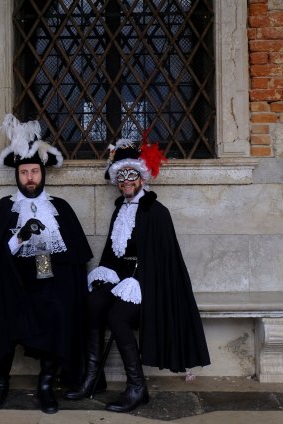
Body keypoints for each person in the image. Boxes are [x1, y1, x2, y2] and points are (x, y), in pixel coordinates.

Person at [64, 135, 211, 413]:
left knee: (117, 316)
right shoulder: (119, 208)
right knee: (93, 304)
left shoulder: (157, 212)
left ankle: (136, 387)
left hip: (147, 283)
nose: (126, 182)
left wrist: (137, 281)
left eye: (131, 175)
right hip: (120, 277)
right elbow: (111, 249)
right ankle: (93, 377)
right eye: (121, 177)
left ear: (142, 178)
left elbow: (162, 260)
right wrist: (106, 274)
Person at [0, 114, 92, 414]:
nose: (30, 177)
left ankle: (46, 384)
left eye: (34, 171)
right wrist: (20, 236)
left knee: (59, 308)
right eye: (24, 173)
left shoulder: (60, 208)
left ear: (42, 173)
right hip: (11, 280)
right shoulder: (3, 209)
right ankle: (0, 382)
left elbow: (74, 257)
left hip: (50, 280)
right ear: (16, 175)